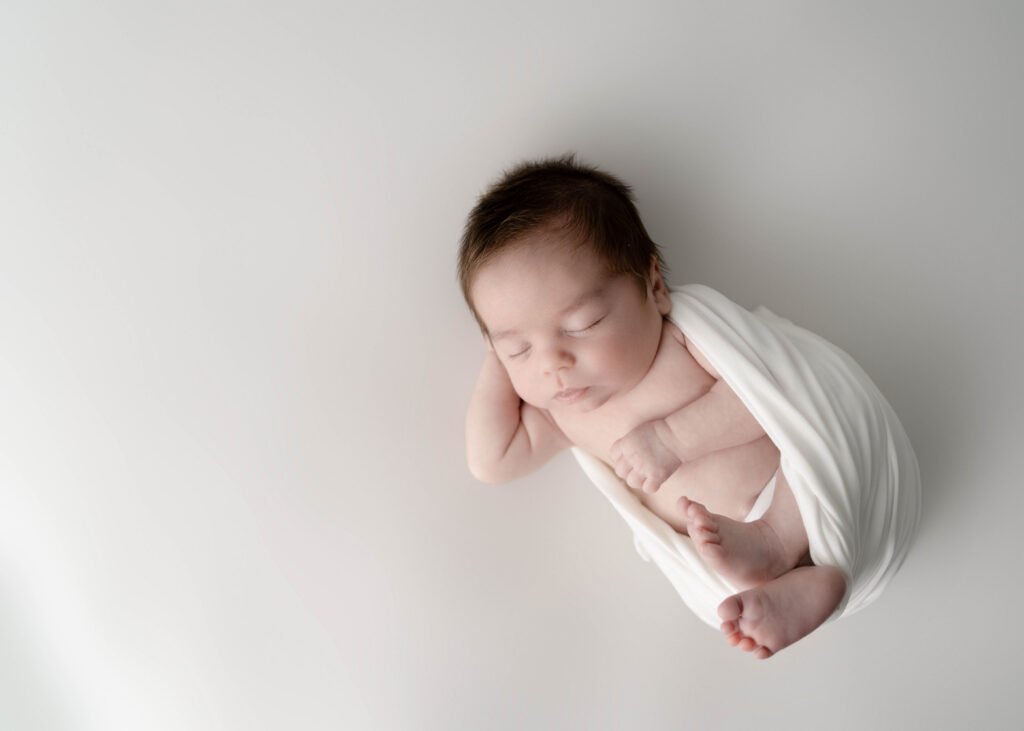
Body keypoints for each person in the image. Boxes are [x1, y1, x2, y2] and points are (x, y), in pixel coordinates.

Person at [458, 155, 847, 659]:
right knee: (719, 597)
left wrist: (672, 440)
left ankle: (787, 544)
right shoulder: (565, 415)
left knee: (813, 446)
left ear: (655, 286)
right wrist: (498, 347)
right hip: (730, 561)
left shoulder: (684, 342)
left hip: (795, 494)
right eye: (520, 349)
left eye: (582, 324)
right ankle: (814, 587)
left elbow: (772, 394)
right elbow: (492, 460)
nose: (554, 364)